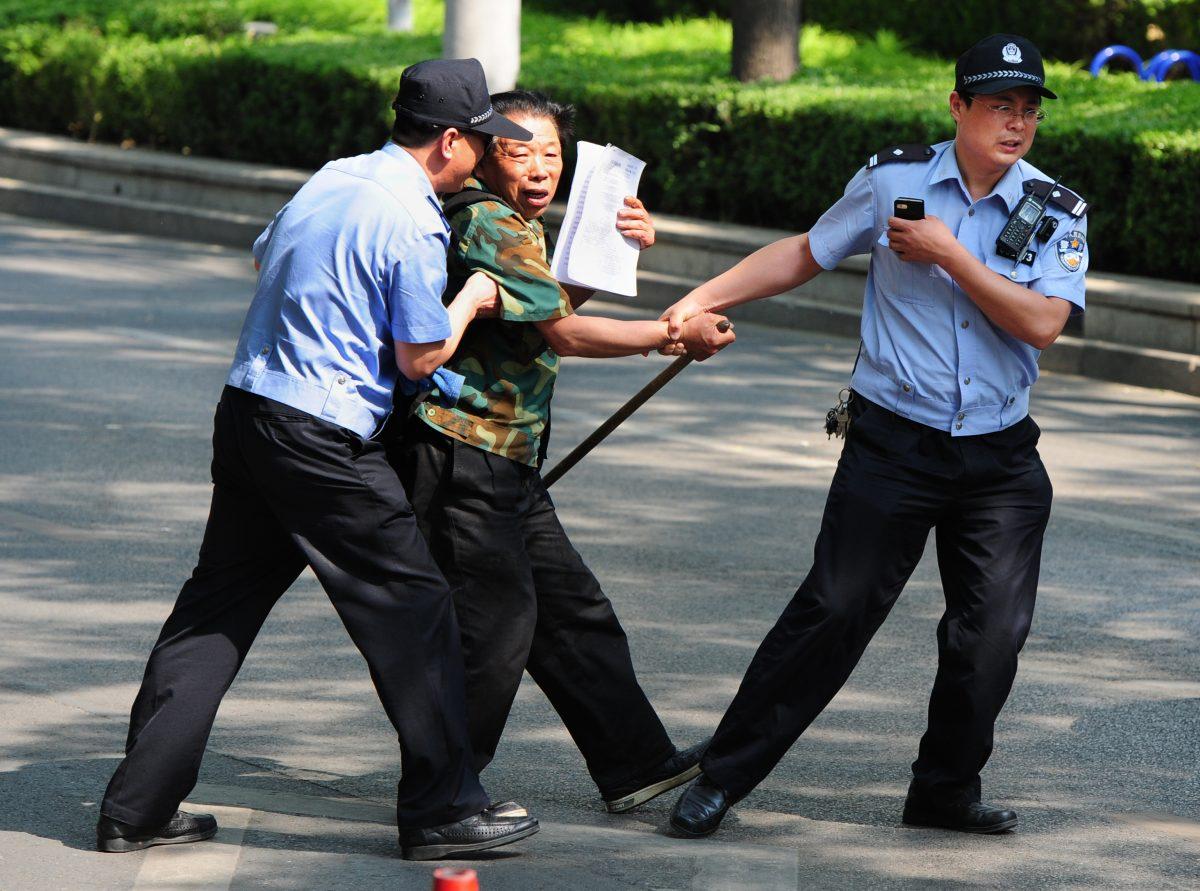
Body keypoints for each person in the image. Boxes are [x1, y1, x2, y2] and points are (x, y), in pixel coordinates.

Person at [96, 59, 542, 861]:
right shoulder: (412, 219)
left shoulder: (336, 176)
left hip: (248, 411)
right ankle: (443, 808)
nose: (486, 157)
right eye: (483, 141)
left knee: (214, 611)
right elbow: (417, 355)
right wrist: (473, 297)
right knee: (416, 608)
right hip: (322, 435)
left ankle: (135, 807)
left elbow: (267, 255)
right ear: (449, 141)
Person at [666, 34, 1089, 837]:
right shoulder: (892, 178)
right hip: (894, 442)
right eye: (1000, 105)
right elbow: (806, 251)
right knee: (833, 610)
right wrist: (700, 296)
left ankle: (944, 791)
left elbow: (1042, 324)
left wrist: (948, 254)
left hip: (999, 456)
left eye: (1029, 110)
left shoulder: (1057, 209)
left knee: (990, 635)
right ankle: (722, 776)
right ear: (958, 106)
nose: (1017, 123)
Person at [386, 90, 736, 814]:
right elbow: (565, 334)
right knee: (494, 630)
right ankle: (444, 792)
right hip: (463, 452)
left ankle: (636, 761)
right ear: (484, 152)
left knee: (573, 610)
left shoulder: (514, 225)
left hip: (506, 457)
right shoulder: (487, 219)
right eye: (521, 152)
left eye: (553, 154)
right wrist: (675, 334)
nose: (542, 168)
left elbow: (546, 307)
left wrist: (614, 246)